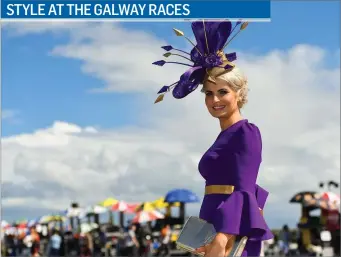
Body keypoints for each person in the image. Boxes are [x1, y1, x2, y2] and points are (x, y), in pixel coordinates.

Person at [153, 21, 274, 256]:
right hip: (211, 225)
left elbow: (244, 189)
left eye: (222, 92)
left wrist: (223, 237)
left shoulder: (246, 132)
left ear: (239, 94)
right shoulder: (225, 136)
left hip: (227, 230)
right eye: (209, 93)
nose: (215, 100)